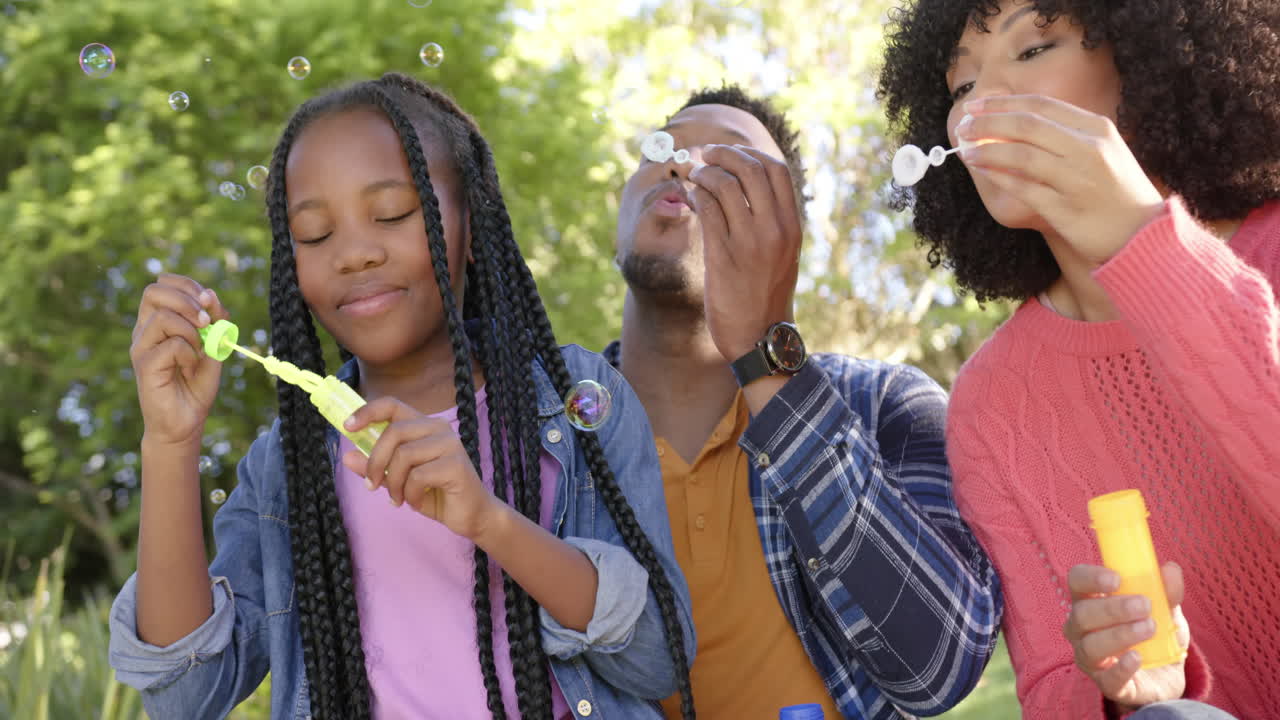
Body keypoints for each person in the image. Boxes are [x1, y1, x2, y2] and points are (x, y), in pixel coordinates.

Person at [108, 72, 696, 720]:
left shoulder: (567, 400)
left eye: (390, 213)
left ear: (471, 226)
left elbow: (659, 656)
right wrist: (170, 440)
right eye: (314, 235)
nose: (355, 254)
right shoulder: (288, 466)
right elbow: (186, 694)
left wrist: (489, 521)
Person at [877, 1, 1280, 718]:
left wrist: (1141, 241)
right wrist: (1115, 686)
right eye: (961, 88)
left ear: (1141, 60)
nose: (982, 107)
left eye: (1033, 50)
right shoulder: (991, 403)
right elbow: (1048, 685)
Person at [604, 84, 1003, 719]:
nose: (683, 165)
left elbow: (940, 667)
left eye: (729, 162)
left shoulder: (885, 405)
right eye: (666, 146)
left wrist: (768, 356)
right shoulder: (542, 428)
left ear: (784, 237)